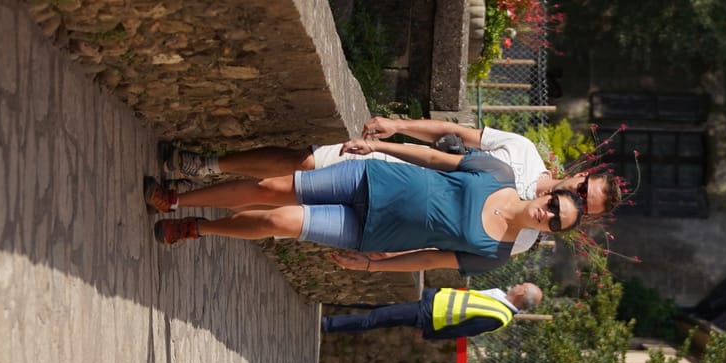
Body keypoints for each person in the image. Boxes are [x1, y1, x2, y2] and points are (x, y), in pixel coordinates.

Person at [159, 120, 622, 259]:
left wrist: (387, 257)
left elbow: (445, 249)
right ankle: (204, 168)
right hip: (385, 168)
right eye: (584, 188)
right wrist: (397, 127)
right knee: (291, 169)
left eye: (586, 205)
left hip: (386, 223)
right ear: (581, 175)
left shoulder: (520, 241)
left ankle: (192, 210)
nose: (577, 197)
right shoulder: (521, 153)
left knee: (279, 214)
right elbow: (452, 139)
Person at [146, 147, 581, 274]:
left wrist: (374, 266)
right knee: (273, 188)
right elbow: (434, 158)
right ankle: (177, 199)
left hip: (370, 231)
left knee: (276, 220)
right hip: (372, 179)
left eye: (557, 222)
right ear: (548, 195)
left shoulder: (497, 253)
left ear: (551, 232)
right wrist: (380, 144)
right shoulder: (498, 172)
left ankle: (198, 228)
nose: (549, 214)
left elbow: (430, 260)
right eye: (554, 205)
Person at [323, 283, 543, 339]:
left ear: (522, 293)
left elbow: (462, 330)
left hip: (428, 315)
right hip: (430, 301)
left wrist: (430, 333)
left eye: (521, 285)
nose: (517, 284)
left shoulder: (499, 317)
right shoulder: (499, 297)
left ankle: (326, 325)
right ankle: (329, 300)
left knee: (376, 318)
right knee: (376, 304)